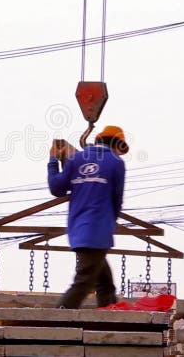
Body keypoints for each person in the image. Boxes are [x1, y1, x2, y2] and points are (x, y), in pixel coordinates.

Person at [47, 125, 128, 309]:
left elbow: (56, 188)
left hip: (77, 230)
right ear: (117, 144)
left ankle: (110, 319)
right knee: (84, 282)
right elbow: (117, 200)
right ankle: (55, 319)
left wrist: (53, 160)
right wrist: (110, 224)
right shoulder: (116, 163)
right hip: (98, 231)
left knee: (104, 283)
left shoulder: (76, 159)